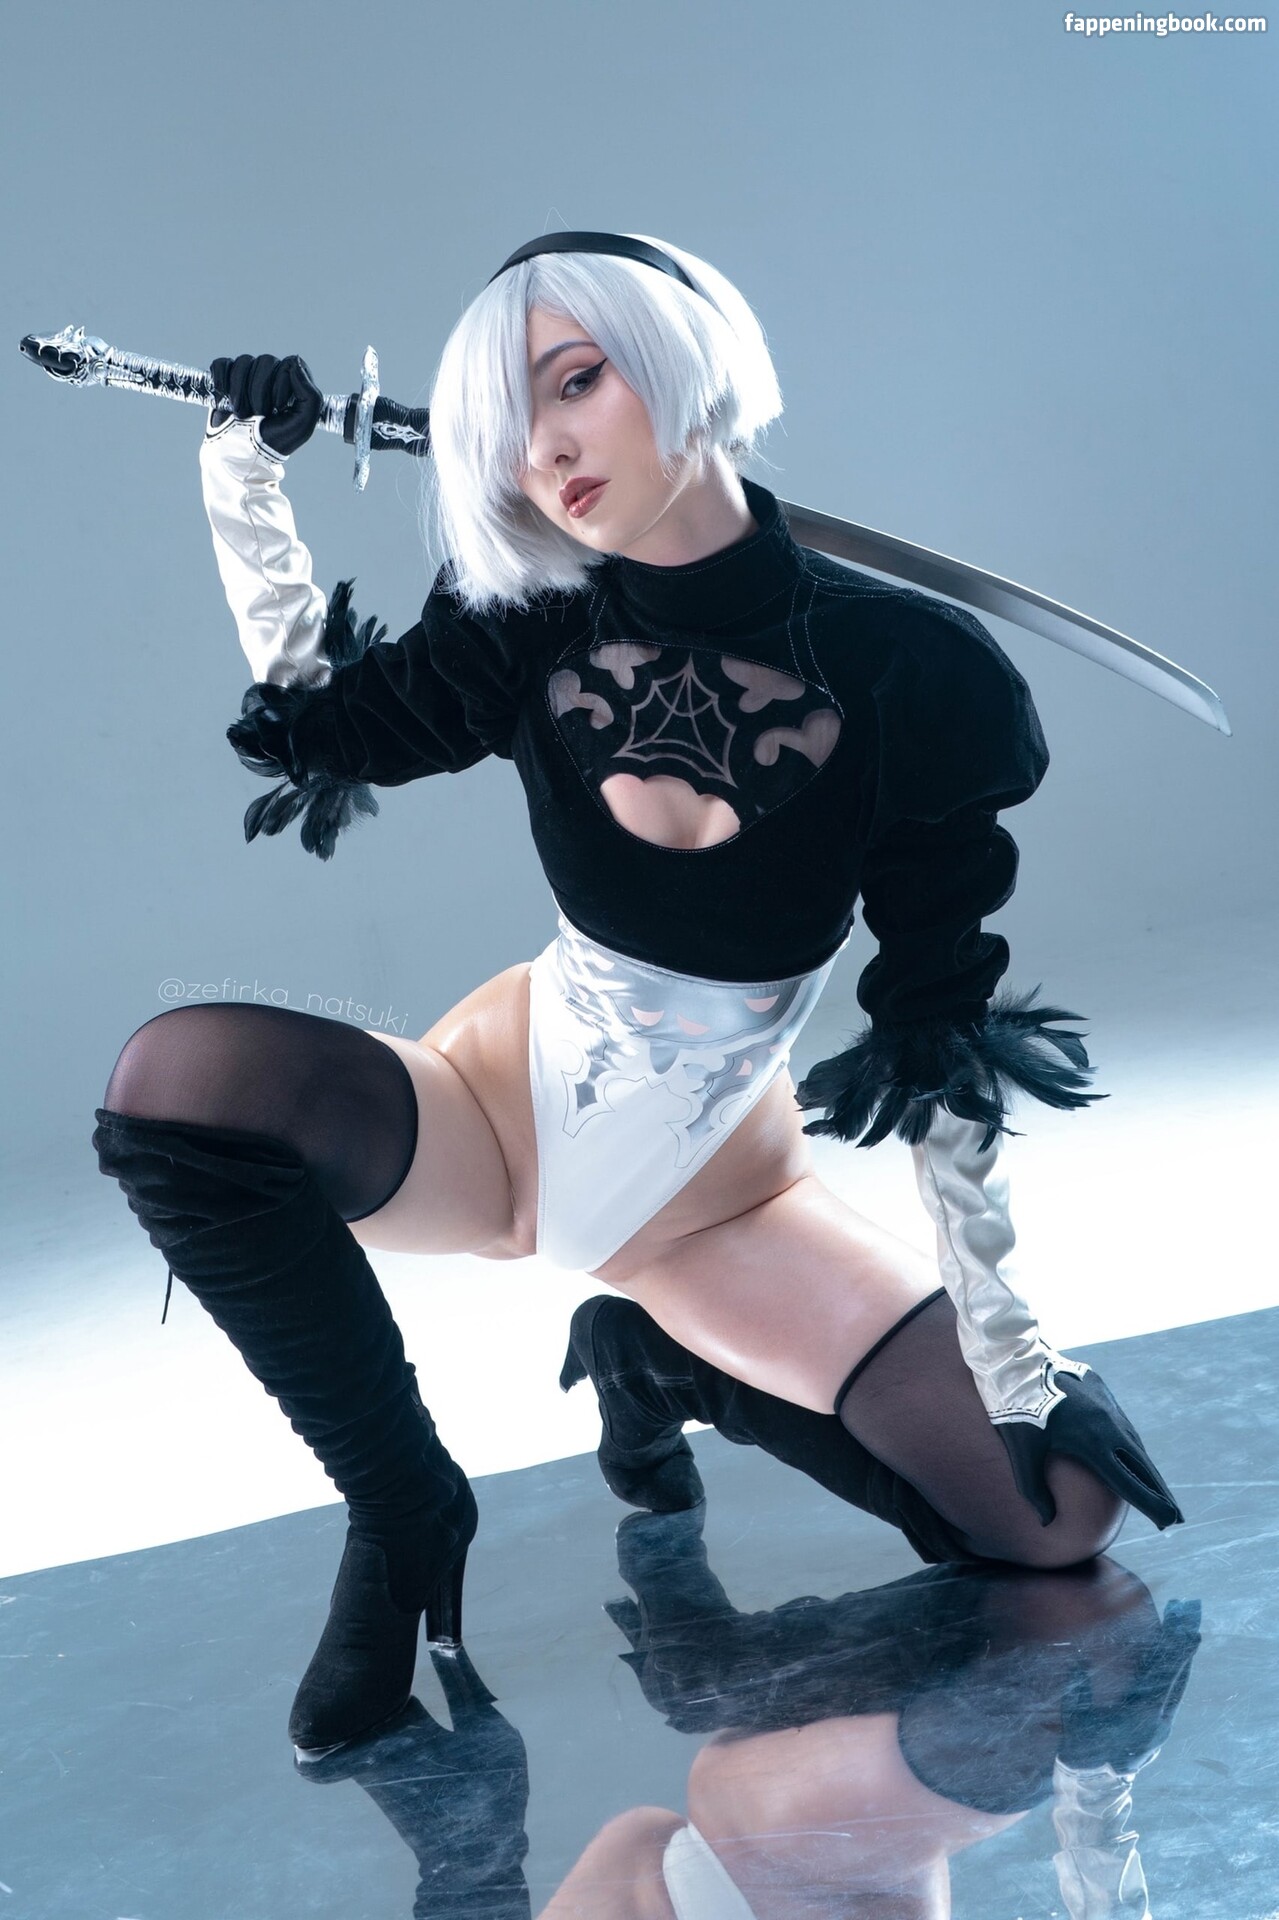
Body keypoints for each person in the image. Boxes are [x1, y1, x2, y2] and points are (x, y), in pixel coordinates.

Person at [91, 230, 1182, 1761]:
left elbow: (936, 1034)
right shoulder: (532, 622)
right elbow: (321, 734)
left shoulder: (910, 671)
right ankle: (404, 1510)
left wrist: (1008, 1355)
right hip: (499, 1112)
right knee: (178, 1079)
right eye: (507, 427)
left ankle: (661, 1358)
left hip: (712, 1198)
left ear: (684, 363)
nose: (545, 451)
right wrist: (244, 472)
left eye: (577, 382)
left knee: (1058, 1519)